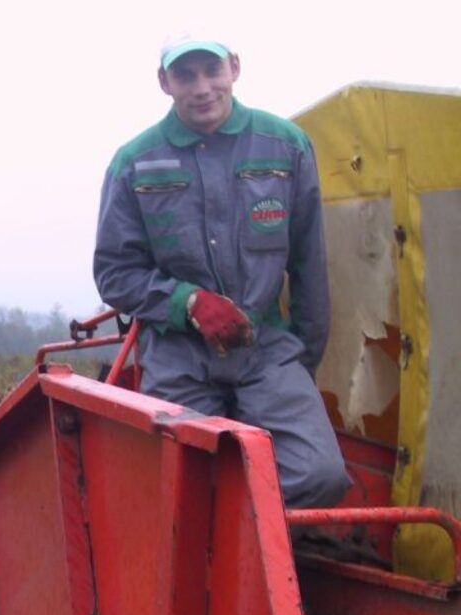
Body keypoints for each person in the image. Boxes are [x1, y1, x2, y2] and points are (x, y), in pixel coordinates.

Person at [93, 32, 350, 509]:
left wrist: (300, 363)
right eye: (185, 75)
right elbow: (114, 273)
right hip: (176, 355)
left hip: (266, 348)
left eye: (211, 71)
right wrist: (186, 302)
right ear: (164, 82)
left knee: (322, 475)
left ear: (234, 67)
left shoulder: (286, 148)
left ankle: (224, 525)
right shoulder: (135, 163)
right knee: (176, 484)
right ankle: (219, 544)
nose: (201, 87)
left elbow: (309, 266)